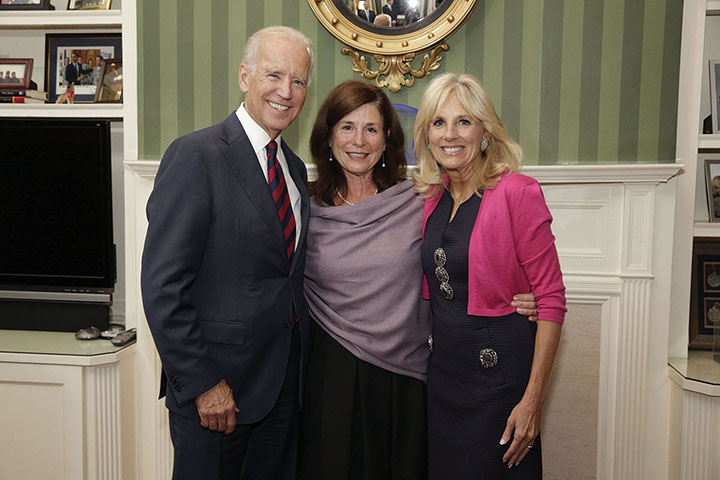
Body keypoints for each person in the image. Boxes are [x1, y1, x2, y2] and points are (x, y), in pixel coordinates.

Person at [299, 80, 540, 480]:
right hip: (331, 378)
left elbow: (472, 250)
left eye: (372, 129)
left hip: (406, 379)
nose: (359, 140)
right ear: (327, 136)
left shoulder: (419, 198)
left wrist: (526, 294)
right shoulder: (306, 210)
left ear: (387, 138)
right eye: (346, 127)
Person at [141, 26, 314, 480]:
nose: (286, 91)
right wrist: (202, 384)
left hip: (281, 394)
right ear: (244, 76)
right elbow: (163, 287)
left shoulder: (293, 169)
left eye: (299, 81)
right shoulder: (196, 156)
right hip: (217, 398)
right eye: (273, 75)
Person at [413, 73, 566, 479]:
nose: (450, 134)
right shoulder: (432, 197)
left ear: (484, 131)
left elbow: (550, 300)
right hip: (444, 380)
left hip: (498, 381)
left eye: (464, 121)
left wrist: (533, 400)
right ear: (426, 134)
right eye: (438, 122)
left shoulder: (517, 192)